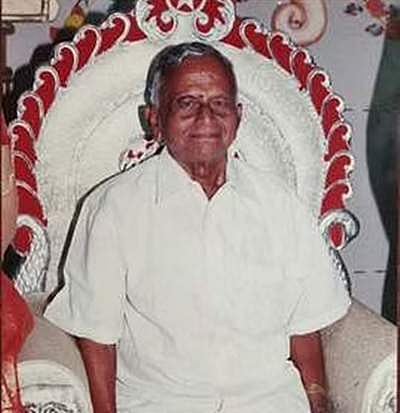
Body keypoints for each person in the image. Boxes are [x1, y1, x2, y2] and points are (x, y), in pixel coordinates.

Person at [45, 42, 351, 413]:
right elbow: (97, 337)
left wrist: (317, 399)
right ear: (155, 119)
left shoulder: (279, 204)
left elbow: (306, 322)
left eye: (220, 103)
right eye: (186, 103)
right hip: (159, 404)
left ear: (238, 117)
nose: (206, 117)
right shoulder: (114, 208)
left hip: (269, 401)